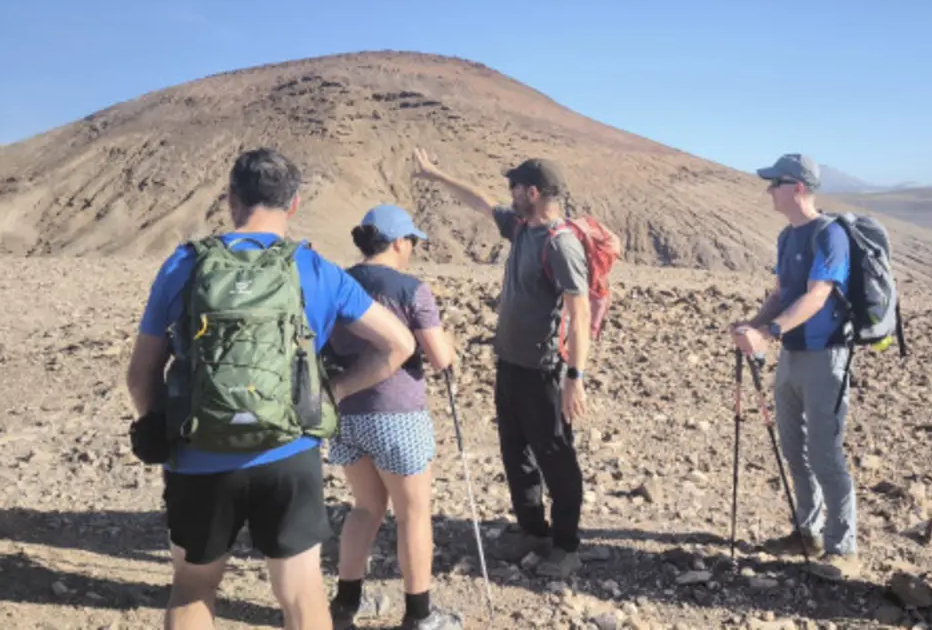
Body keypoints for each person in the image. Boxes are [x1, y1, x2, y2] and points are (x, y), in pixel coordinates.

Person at [125, 148, 417, 630]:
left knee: (194, 585)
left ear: (230, 198)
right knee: (300, 592)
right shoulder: (315, 269)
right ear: (295, 204)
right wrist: (333, 393)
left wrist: (155, 422)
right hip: (289, 450)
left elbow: (141, 373)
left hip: (198, 452)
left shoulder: (184, 264)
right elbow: (398, 344)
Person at [410, 147, 591, 579]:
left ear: (532, 191)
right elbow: (478, 199)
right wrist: (436, 174)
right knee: (516, 453)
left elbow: (579, 314)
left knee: (556, 457)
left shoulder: (560, 244)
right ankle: (533, 531)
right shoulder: (521, 227)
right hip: (509, 364)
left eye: (514, 186)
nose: (507, 193)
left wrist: (574, 376)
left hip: (543, 371)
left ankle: (567, 545)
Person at [322, 205, 461, 629]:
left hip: (344, 412)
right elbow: (440, 358)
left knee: (364, 507)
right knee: (413, 513)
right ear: (399, 242)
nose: (413, 250)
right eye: (413, 242)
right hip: (397, 415)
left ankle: (345, 605)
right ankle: (419, 615)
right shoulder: (410, 289)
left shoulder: (336, 282)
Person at [729, 153, 859, 581]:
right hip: (793, 355)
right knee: (794, 449)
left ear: (798, 187)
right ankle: (808, 531)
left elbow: (818, 296)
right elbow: (783, 292)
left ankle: (843, 547)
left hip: (826, 356)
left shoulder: (829, 235)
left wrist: (768, 333)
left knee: (825, 453)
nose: (768, 190)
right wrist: (755, 323)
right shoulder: (787, 237)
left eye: (775, 183)